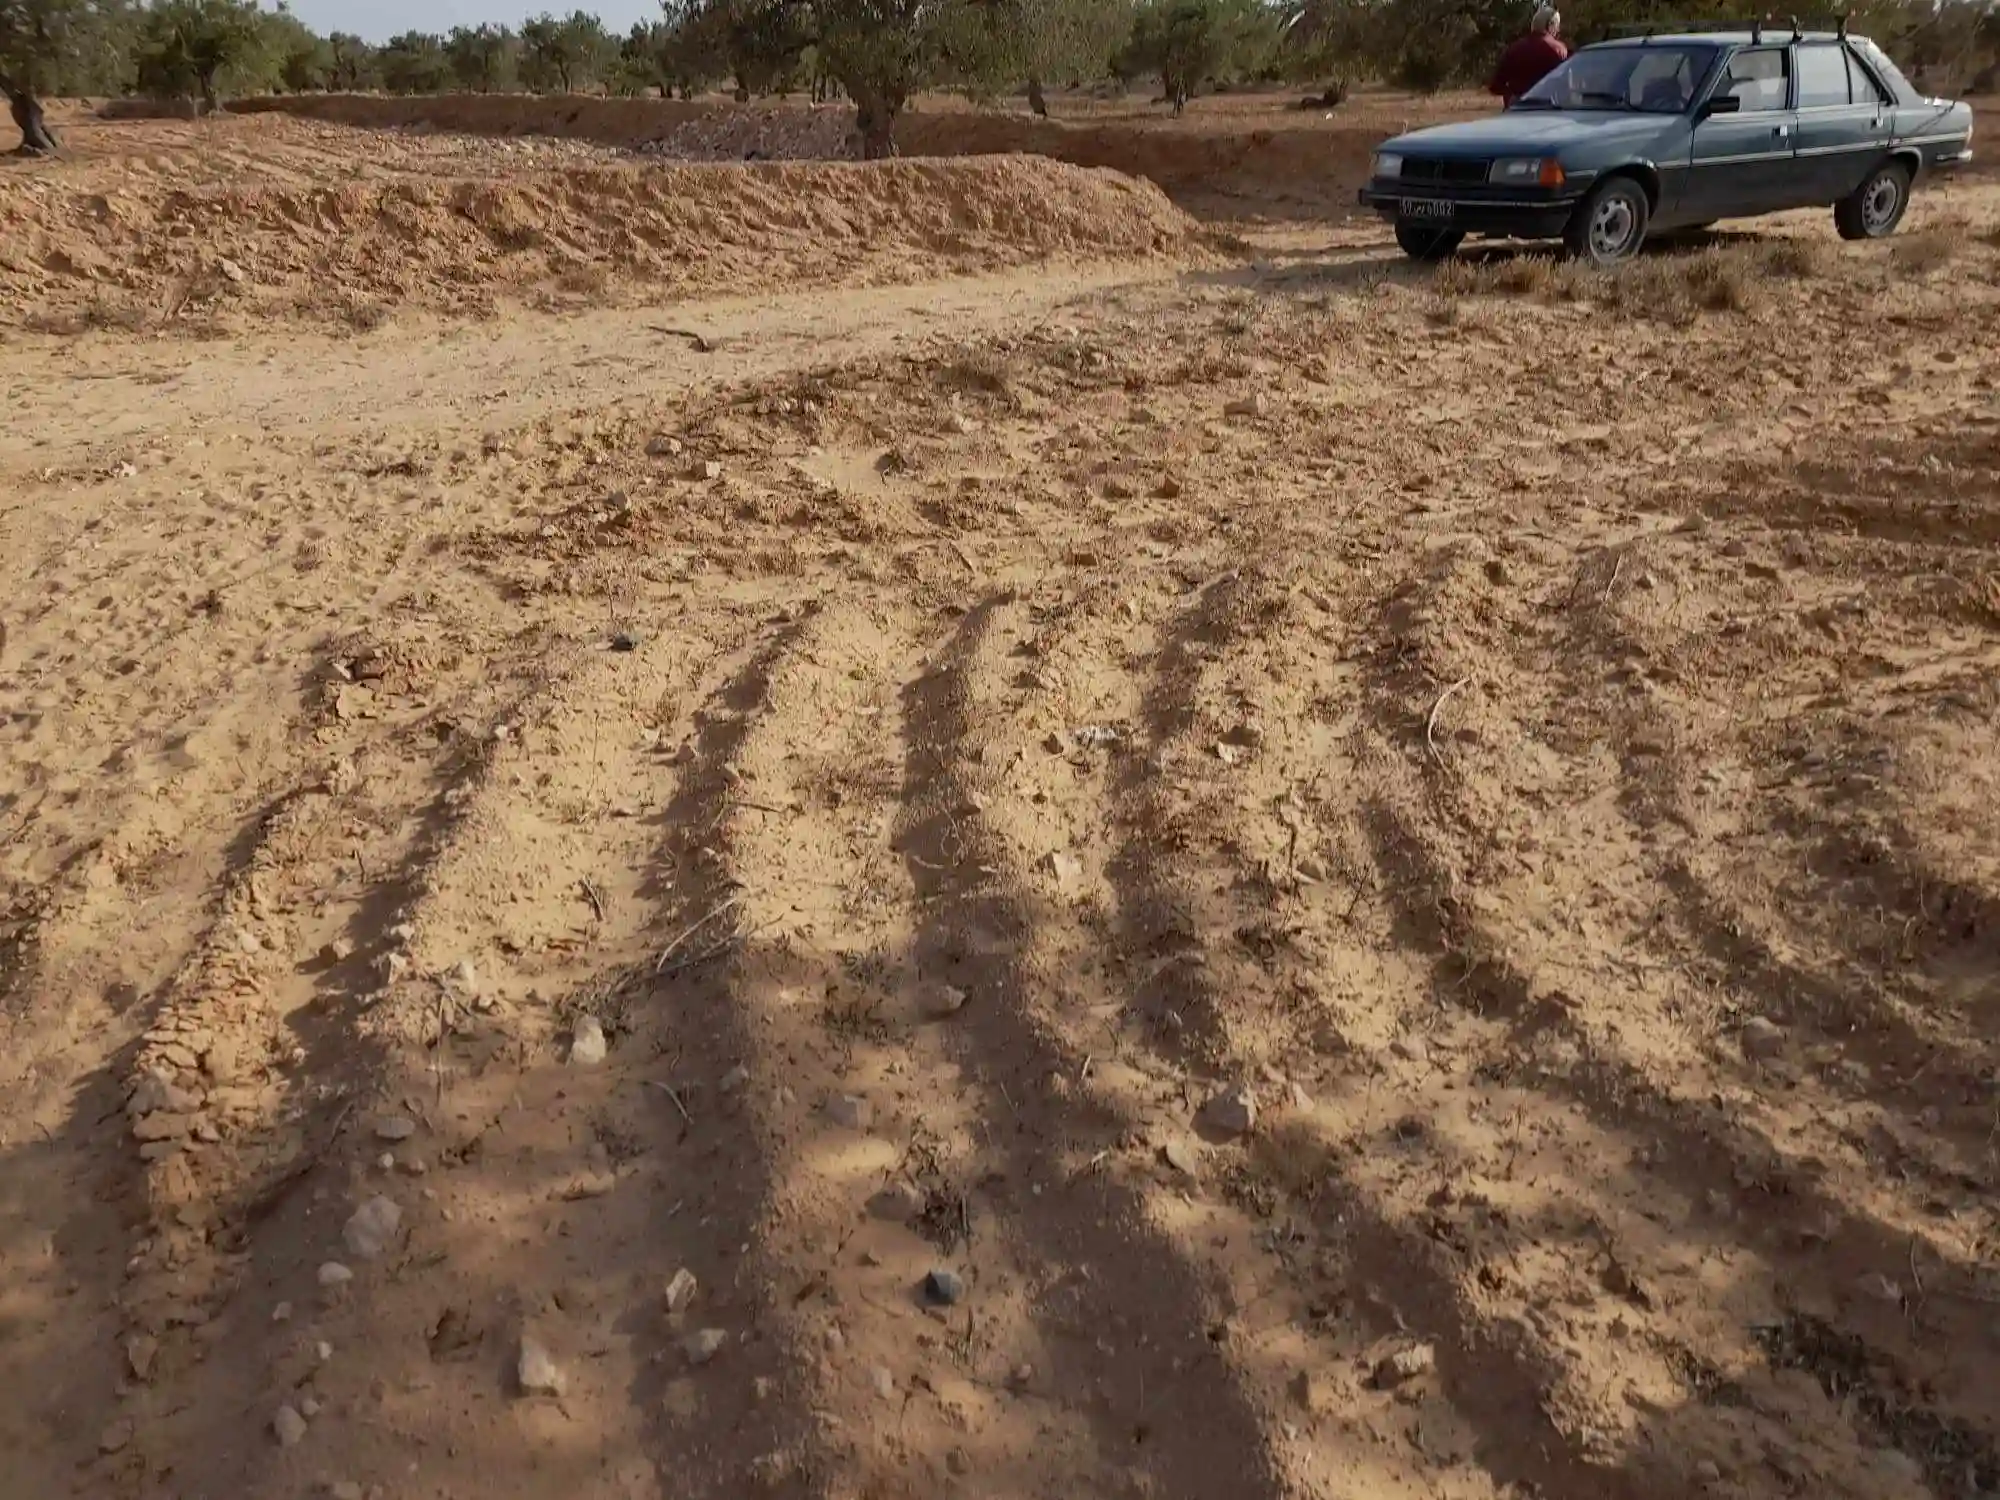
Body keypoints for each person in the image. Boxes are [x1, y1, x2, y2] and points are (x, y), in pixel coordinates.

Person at [1489, 7, 1569, 107]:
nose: (1558, 30)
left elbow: (1495, 86)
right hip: (1547, 109)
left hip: (1515, 110)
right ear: (1550, 25)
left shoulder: (1514, 48)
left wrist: (1513, 95)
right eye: (1557, 26)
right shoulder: (1558, 50)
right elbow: (1565, 86)